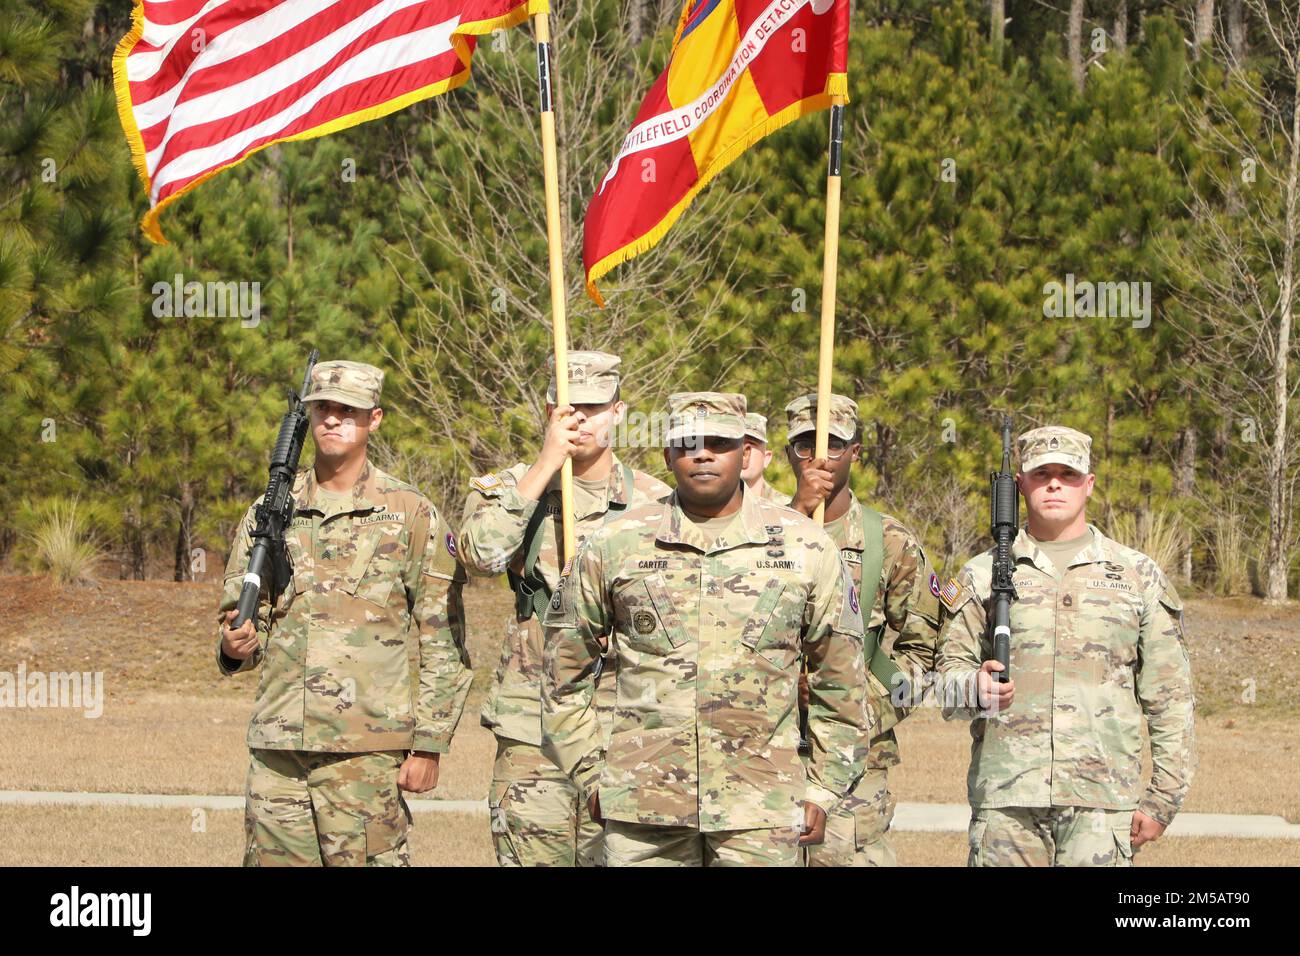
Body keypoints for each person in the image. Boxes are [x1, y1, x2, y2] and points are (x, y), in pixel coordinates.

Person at [541, 391, 871, 867]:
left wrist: (823, 788)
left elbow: (840, 681)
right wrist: (590, 775)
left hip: (762, 809)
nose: (703, 454)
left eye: (719, 442)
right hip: (644, 811)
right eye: (688, 443)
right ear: (668, 455)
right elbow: (562, 673)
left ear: (746, 452)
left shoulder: (805, 547)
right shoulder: (615, 544)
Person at [217, 360, 471, 866]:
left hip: (366, 754)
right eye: (323, 409)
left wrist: (429, 744)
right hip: (279, 752)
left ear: (374, 419)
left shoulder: (410, 512)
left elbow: (444, 638)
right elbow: (242, 621)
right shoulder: (270, 511)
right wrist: (233, 645)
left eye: (348, 411)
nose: (333, 420)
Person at [937, 425, 1195, 867]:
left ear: (1088, 484)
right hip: (1007, 801)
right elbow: (944, 683)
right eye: (1042, 474)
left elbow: (1170, 697)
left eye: (1068, 474)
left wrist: (1163, 799)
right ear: (1019, 484)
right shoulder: (981, 575)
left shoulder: (1136, 576)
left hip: (1101, 803)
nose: (1054, 483)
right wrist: (972, 688)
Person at [456, 351, 670, 866]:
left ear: (619, 412)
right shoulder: (511, 488)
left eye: (595, 408)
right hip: (536, 723)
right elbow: (481, 555)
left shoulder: (659, 502)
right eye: (570, 408)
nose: (582, 420)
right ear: (551, 410)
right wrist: (545, 467)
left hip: (628, 720)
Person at [783, 392, 944, 867]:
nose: (819, 458)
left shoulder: (887, 541)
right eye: (805, 445)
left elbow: (925, 648)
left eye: (834, 445)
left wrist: (861, 707)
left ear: (856, 452)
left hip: (855, 766)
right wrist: (794, 515)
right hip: (763, 754)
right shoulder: (761, 532)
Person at [741, 411, 784, 502]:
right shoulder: (707, 507)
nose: (743, 451)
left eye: (751, 444)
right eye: (735, 443)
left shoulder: (788, 507)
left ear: (766, 459)